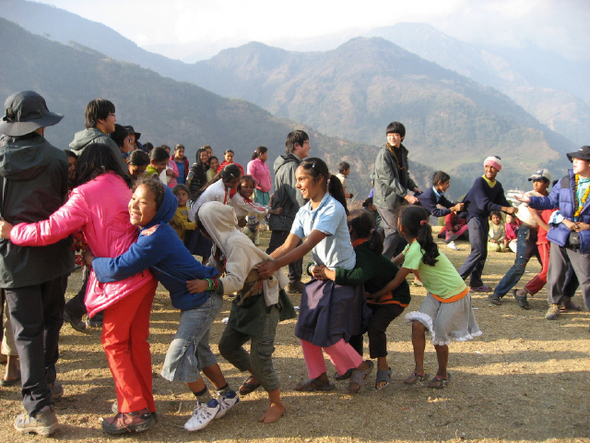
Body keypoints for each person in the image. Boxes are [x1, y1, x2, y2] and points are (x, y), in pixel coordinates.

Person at [1, 143, 158, 435]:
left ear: (86, 165)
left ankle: (133, 411)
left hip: (120, 278)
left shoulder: (85, 193)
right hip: (144, 275)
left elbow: (49, 229)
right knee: (137, 342)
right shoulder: (124, 186)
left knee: (114, 343)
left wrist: (12, 231)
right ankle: (144, 404)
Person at [88, 180, 239, 432]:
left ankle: (207, 403)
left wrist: (93, 261)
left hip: (202, 301)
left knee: (177, 357)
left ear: (159, 209)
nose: (134, 205)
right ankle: (228, 394)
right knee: (200, 352)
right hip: (198, 298)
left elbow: (120, 267)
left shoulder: (155, 237)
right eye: (133, 198)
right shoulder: (152, 231)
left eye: (143, 202)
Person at [258, 158, 373, 394]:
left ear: (319, 179)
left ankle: (360, 366)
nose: (298, 185)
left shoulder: (332, 209)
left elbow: (306, 246)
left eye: (302, 179)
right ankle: (319, 378)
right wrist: (263, 261)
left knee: (329, 335)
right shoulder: (304, 211)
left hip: (340, 277)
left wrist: (275, 265)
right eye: (297, 180)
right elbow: (288, 244)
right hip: (321, 276)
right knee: (305, 330)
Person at [0, 90, 74, 436]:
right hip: (55, 253)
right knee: (50, 321)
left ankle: (38, 407)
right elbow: (63, 206)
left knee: (26, 331)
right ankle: (48, 385)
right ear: (40, 125)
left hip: (15, 258)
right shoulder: (57, 159)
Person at [191, 201, 296, 423]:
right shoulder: (220, 243)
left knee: (261, 357)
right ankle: (257, 376)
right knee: (228, 346)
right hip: (246, 301)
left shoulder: (235, 243)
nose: (201, 231)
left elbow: (235, 281)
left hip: (264, 302)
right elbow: (214, 267)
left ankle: (277, 402)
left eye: (203, 227)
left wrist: (208, 285)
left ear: (211, 226)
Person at [369, 206, 481, 389]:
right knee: (417, 325)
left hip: (454, 295)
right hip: (437, 294)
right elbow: (391, 264)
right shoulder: (412, 245)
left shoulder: (416, 249)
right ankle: (419, 371)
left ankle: (442, 374)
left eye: (398, 220)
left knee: (439, 334)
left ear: (402, 227)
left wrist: (375, 294)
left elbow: (396, 280)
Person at [311, 209, 411, 390]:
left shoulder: (363, 251)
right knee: (353, 325)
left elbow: (357, 276)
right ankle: (353, 365)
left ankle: (383, 367)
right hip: (373, 297)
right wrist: (315, 268)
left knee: (375, 326)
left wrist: (328, 273)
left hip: (393, 296)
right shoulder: (352, 248)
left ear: (348, 229)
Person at [517, 146, 590, 323]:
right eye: (572, 159)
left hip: (583, 238)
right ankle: (554, 304)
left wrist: (587, 226)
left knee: (586, 277)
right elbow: (550, 201)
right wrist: (530, 200)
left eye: (578, 159)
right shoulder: (566, 181)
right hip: (560, 234)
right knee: (556, 272)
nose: (574, 162)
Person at [489, 169, 550, 307]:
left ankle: (559, 299)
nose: (535, 184)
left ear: (547, 183)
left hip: (542, 235)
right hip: (527, 232)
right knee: (520, 266)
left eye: (538, 181)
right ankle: (497, 293)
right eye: (533, 181)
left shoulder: (550, 198)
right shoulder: (530, 196)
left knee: (550, 268)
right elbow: (535, 217)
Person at [457, 156, 516, 292]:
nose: (489, 170)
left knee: (482, 252)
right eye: (487, 167)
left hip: (483, 218)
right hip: (474, 217)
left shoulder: (497, 186)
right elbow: (484, 203)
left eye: (493, 167)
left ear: (498, 170)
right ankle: (456, 282)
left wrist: (514, 211)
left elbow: (502, 202)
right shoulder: (480, 182)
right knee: (477, 249)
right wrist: (506, 209)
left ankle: (476, 283)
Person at [267, 130, 310, 293]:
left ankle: (294, 281)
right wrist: (308, 214)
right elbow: (297, 194)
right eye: (307, 143)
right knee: (274, 252)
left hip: (287, 217)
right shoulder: (292, 167)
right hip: (286, 217)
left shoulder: (287, 165)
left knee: (294, 248)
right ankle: (257, 277)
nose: (309, 147)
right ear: (297, 145)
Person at [373, 121, 422, 259]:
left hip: (397, 199)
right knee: (394, 231)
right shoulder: (384, 154)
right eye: (389, 135)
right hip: (385, 199)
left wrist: (413, 186)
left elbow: (404, 174)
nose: (392, 138)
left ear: (402, 136)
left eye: (395, 135)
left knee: (386, 230)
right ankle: (383, 264)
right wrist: (407, 195)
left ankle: (375, 255)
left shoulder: (401, 152)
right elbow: (388, 179)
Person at [186, 164, 241, 260]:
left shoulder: (221, 185)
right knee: (207, 252)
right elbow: (219, 213)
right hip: (198, 222)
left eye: (237, 182)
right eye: (233, 182)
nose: (235, 185)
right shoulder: (219, 191)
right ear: (225, 178)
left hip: (201, 219)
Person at [69, 98, 127, 171]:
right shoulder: (106, 142)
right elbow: (121, 170)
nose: (115, 119)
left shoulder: (77, 143)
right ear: (101, 119)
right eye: (112, 115)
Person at [416, 171, 464, 250]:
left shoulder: (438, 194)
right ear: (439, 183)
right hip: (415, 219)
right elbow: (436, 212)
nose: (449, 185)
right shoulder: (429, 195)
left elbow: (447, 204)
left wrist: (459, 206)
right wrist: (453, 209)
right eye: (447, 183)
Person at [231, 175, 282, 243]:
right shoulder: (238, 198)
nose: (249, 189)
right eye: (245, 187)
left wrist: (269, 208)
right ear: (239, 187)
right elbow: (253, 208)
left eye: (251, 187)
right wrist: (273, 211)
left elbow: (256, 205)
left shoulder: (245, 199)